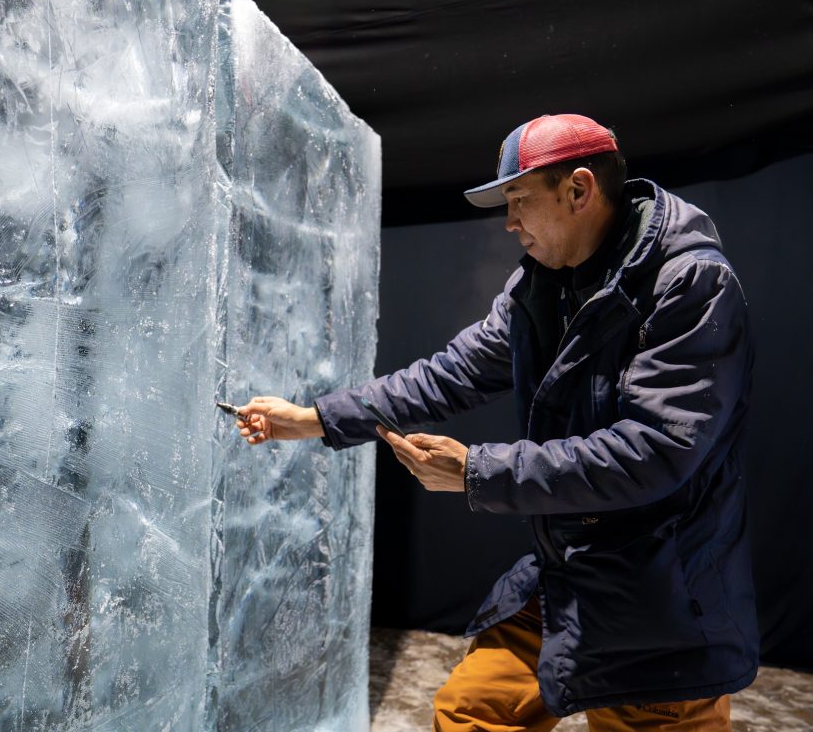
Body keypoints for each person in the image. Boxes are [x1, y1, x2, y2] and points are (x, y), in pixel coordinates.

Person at [235, 114, 758, 731]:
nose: (509, 222)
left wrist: (475, 471)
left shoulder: (691, 283)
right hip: (571, 575)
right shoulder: (542, 286)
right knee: (469, 714)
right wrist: (314, 419)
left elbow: (654, 452)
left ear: (579, 189)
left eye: (518, 200)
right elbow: (450, 374)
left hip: (664, 599)